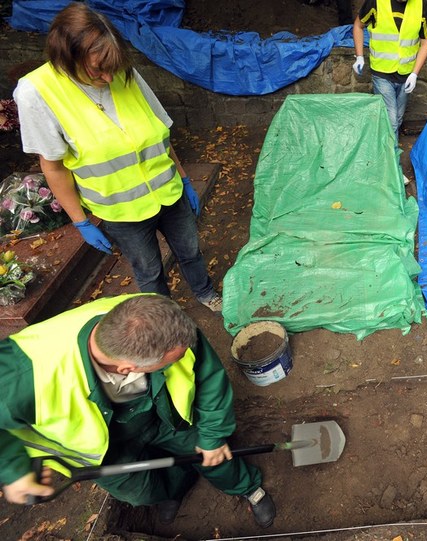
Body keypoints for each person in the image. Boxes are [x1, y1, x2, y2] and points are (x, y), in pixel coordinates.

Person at [13, 3, 222, 312]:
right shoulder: (36, 93)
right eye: (98, 69)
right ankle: (163, 319)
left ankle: (205, 292)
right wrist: (80, 221)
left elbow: (159, 132)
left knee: (190, 251)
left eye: (114, 67)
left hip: (168, 193)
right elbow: (53, 166)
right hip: (122, 211)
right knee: (149, 272)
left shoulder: (122, 72)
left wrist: (185, 178)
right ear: (67, 57)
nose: (110, 78)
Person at [0, 294, 276, 527]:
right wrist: (12, 469)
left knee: (214, 455)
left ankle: (247, 487)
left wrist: (213, 436)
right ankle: (173, 489)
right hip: (107, 448)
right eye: (171, 362)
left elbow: (207, 375)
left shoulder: (160, 320)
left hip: (162, 413)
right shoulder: (20, 377)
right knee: (142, 492)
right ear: (127, 369)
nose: (182, 358)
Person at [352, 0, 427, 184]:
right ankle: (393, 172)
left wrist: (414, 73)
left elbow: (425, 42)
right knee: (391, 121)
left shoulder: (421, 6)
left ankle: (382, 161)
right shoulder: (375, 2)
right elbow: (358, 25)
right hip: (382, 73)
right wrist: (359, 56)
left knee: (395, 120)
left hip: (405, 75)